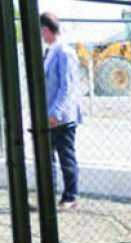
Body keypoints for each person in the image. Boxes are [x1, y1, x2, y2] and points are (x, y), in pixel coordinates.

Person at [41, 12, 83, 210]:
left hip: (61, 117)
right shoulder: (49, 52)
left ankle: (70, 197)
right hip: (48, 115)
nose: (40, 35)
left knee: (66, 157)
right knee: (47, 157)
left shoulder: (65, 53)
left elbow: (67, 87)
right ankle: (50, 196)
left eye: (41, 31)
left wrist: (55, 112)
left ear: (46, 29)